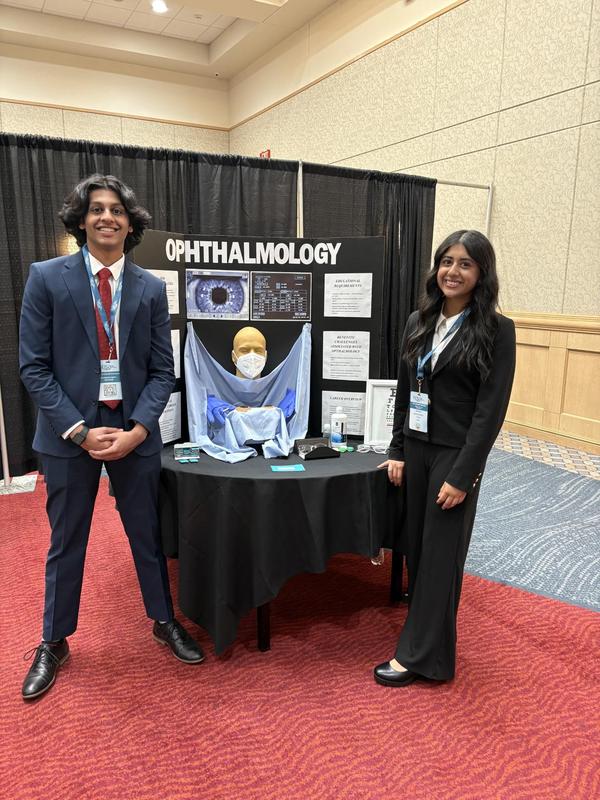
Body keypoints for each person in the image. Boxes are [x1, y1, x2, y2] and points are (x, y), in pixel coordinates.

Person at [19, 174, 204, 701]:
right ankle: (54, 640)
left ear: (130, 222)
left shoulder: (148, 287)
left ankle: (162, 621)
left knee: (147, 534)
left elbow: (163, 372)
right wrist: (77, 430)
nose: (107, 217)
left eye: (117, 210)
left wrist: (139, 430)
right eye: (97, 209)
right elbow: (33, 368)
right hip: (69, 435)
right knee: (66, 542)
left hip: (133, 435)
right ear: (81, 221)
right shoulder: (46, 278)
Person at [374, 229, 516, 687]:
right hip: (415, 450)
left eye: (465, 264)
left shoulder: (496, 330)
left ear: (481, 273)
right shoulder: (419, 320)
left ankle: (417, 656)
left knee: (440, 556)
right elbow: (404, 391)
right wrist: (397, 450)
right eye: (447, 261)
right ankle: (433, 653)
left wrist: (464, 474)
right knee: (418, 549)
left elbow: (489, 413)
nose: (453, 271)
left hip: (455, 456)